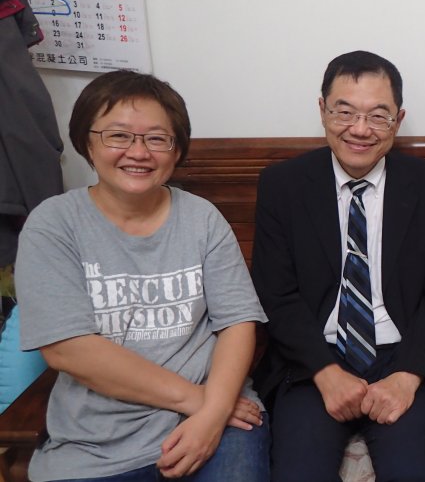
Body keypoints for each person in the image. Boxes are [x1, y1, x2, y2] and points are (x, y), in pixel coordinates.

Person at [15, 70, 269, 482]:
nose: (138, 152)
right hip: (95, 442)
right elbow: (68, 350)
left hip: (218, 416)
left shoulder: (202, 218)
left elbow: (238, 322)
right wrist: (201, 402)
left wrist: (214, 414)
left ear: (176, 149)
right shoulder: (54, 224)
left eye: (156, 138)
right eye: (118, 136)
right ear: (87, 143)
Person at [251, 50, 425, 481]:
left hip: (402, 356)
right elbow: (276, 293)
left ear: (398, 121)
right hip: (314, 358)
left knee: (411, 474)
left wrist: (408, 375)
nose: (360, 129)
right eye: (344, 112)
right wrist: (325, 372)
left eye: (378, 116)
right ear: (322, 110)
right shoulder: (283, 185)